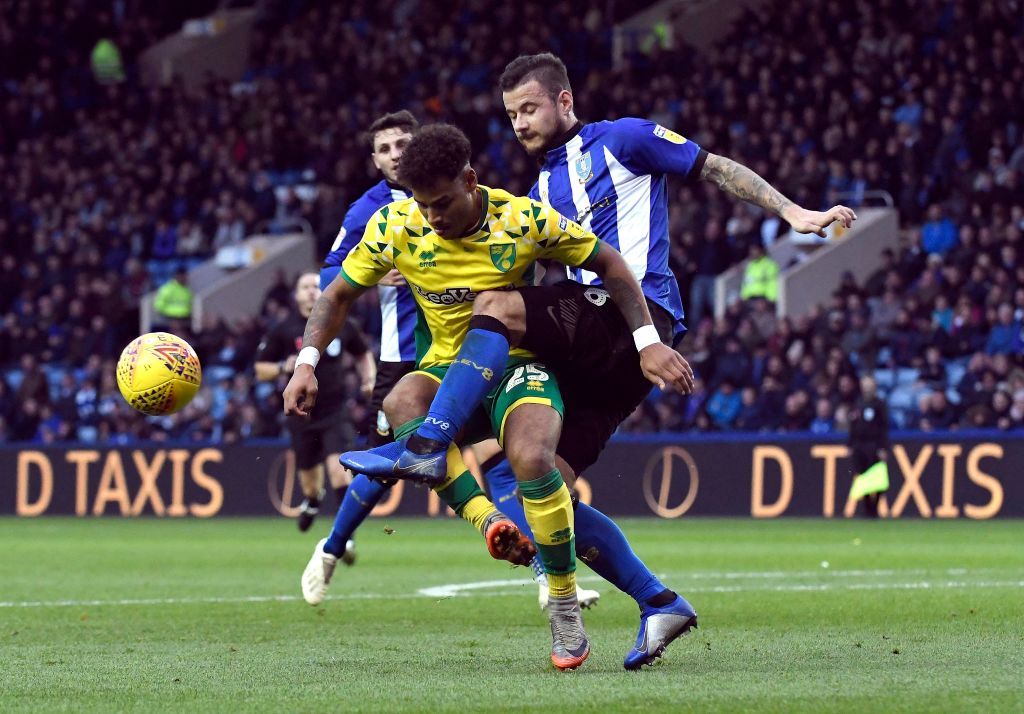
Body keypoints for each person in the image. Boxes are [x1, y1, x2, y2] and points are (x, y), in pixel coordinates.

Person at [354, 52, 856, 668]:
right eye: (512, 114)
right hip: (592, 346)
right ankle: (659, 601)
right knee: (539, 490)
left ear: (565, 101)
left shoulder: (624, 138)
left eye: (531, 108)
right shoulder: (535, 192)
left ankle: (430, 440)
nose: (520, 122)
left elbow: (716, 168)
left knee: (500, 308)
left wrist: (793, 212)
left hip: (629, 315)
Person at [284, 124, 690, 670]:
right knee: (402, 399)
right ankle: (489, 524)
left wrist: (645, 340)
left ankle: (566, 612)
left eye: (443, 202)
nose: (433, 217)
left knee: (532, 462)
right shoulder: (395, 226)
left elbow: (613, 265)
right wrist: (306, 363)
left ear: (471, 180)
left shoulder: (521, 219)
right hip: (446, 373)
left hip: (521, 368)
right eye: (422, 205)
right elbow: (336, 295)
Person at [313, 111, 424, 569]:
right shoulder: (367, 210)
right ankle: (331, 548)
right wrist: (374, 275)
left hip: (467, 346)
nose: (396, 154)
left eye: (402, 144)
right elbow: (329, 275)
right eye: (385, 149)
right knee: (383, 464)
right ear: (375, 161)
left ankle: (549, 578)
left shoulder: (460, 189)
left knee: (500, 457)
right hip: (403, 358)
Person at [255, 271, 375, 533]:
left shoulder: (341, 322)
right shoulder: (283, 329)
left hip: (335, 410)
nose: (311, 291)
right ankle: (313, 500)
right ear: (296, 295)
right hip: (300, 414)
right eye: (305, 287)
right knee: (310, 483)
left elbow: (363, 352)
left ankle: (346, 534)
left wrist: (369, 379)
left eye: (316, 286)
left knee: (338, 469)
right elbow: (260, 369)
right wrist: (280, 367)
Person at [847, 375, 890, 518]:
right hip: (860, 445)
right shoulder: (857, 404)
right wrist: (850, 444)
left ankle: (875, 506)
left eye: (870, 386)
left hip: (874, 445)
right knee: (863, 478)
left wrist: (883, 447)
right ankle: (867, 508)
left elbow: (883, 428)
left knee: (878, 479)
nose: (867, 388)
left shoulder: (879, 405)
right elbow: (853, 426)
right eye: (865, 385)